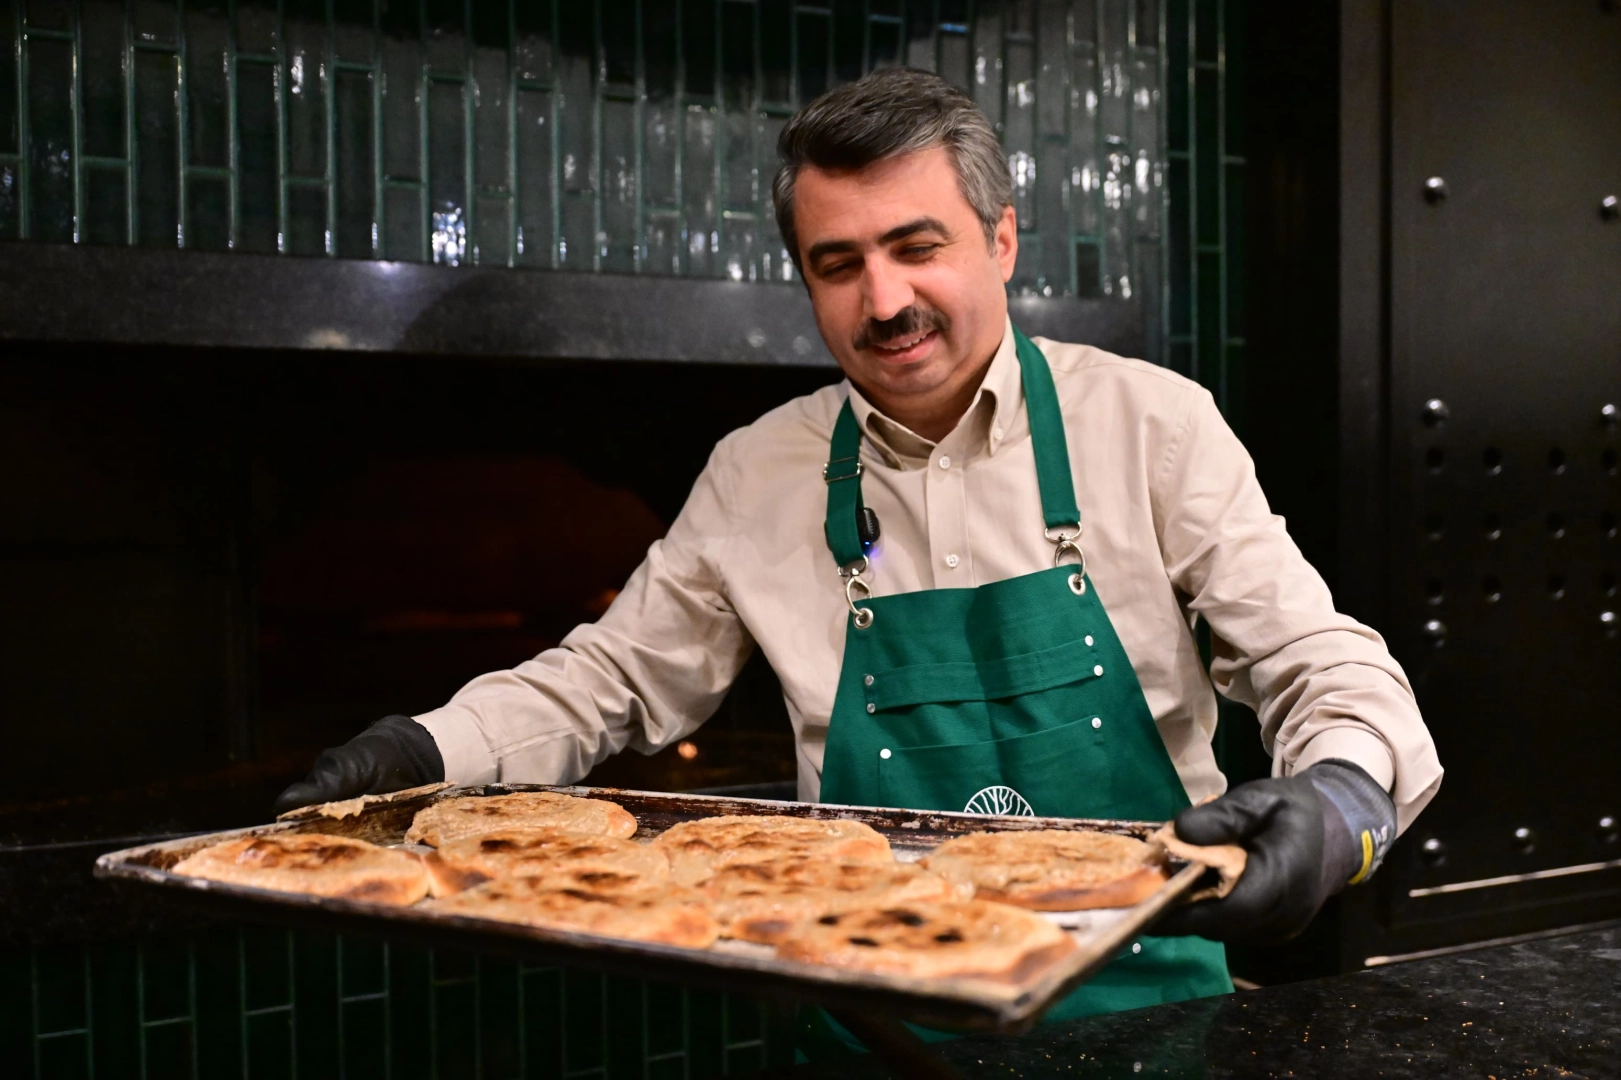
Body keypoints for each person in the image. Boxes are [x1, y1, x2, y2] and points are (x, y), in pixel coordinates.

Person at [276, 68, 1441, 1017]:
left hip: (1150, 1012)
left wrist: (1343, 796)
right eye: (839, 265)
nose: (883, 302)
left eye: (916, 246)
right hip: (871, 1009)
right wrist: (424, 747)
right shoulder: (758, 471)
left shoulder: (1151, 426)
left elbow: (1315, 658)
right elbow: (610, 681)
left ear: (1001, 240)